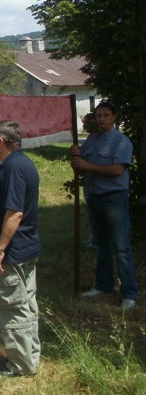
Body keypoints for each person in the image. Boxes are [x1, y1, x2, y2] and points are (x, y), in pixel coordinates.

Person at [0, 120, 40, 376]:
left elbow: (15, 212)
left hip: (12, 254)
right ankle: (29, 357)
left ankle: (20, 365)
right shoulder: (19, 164)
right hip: (25, 249)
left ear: (1, 141)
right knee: (26, 306)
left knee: (12, 308)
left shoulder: (15, 167)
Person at [70, 101, 137, 311]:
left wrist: (87, 165)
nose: (102, 119)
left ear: (114, 117)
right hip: (95, 197)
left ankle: (129, 293)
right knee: (101, 245)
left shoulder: (121, 141)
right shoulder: (91, 140)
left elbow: (117, 169)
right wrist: (77, 159)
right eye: (99, 116)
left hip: (114, 198)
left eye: (106, 115)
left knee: (121, 247)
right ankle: (104, 286)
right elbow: (83, 170)